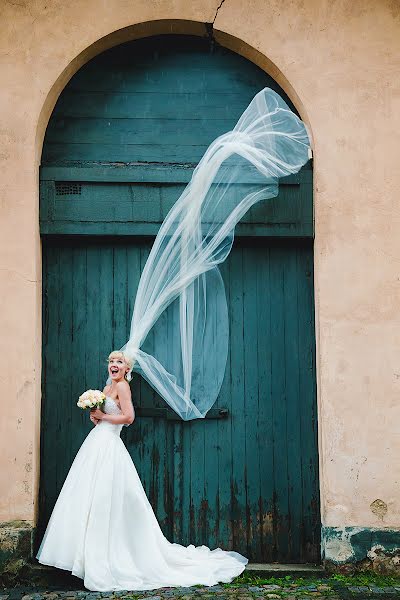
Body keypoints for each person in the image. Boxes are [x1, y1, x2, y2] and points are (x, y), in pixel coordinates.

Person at [36, 350, 248, 592]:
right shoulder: (106, 389)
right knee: (88, 496)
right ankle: (82, 557)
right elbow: (102, 418)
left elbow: (129, 417)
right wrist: (96, 417)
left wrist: (103, 416)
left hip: (110, 446)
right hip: (97, 442)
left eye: (120, 362)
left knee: (106, 500)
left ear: (127, 369)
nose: (114, 365)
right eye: (112, 362)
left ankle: (104, 558)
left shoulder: (123, 387)